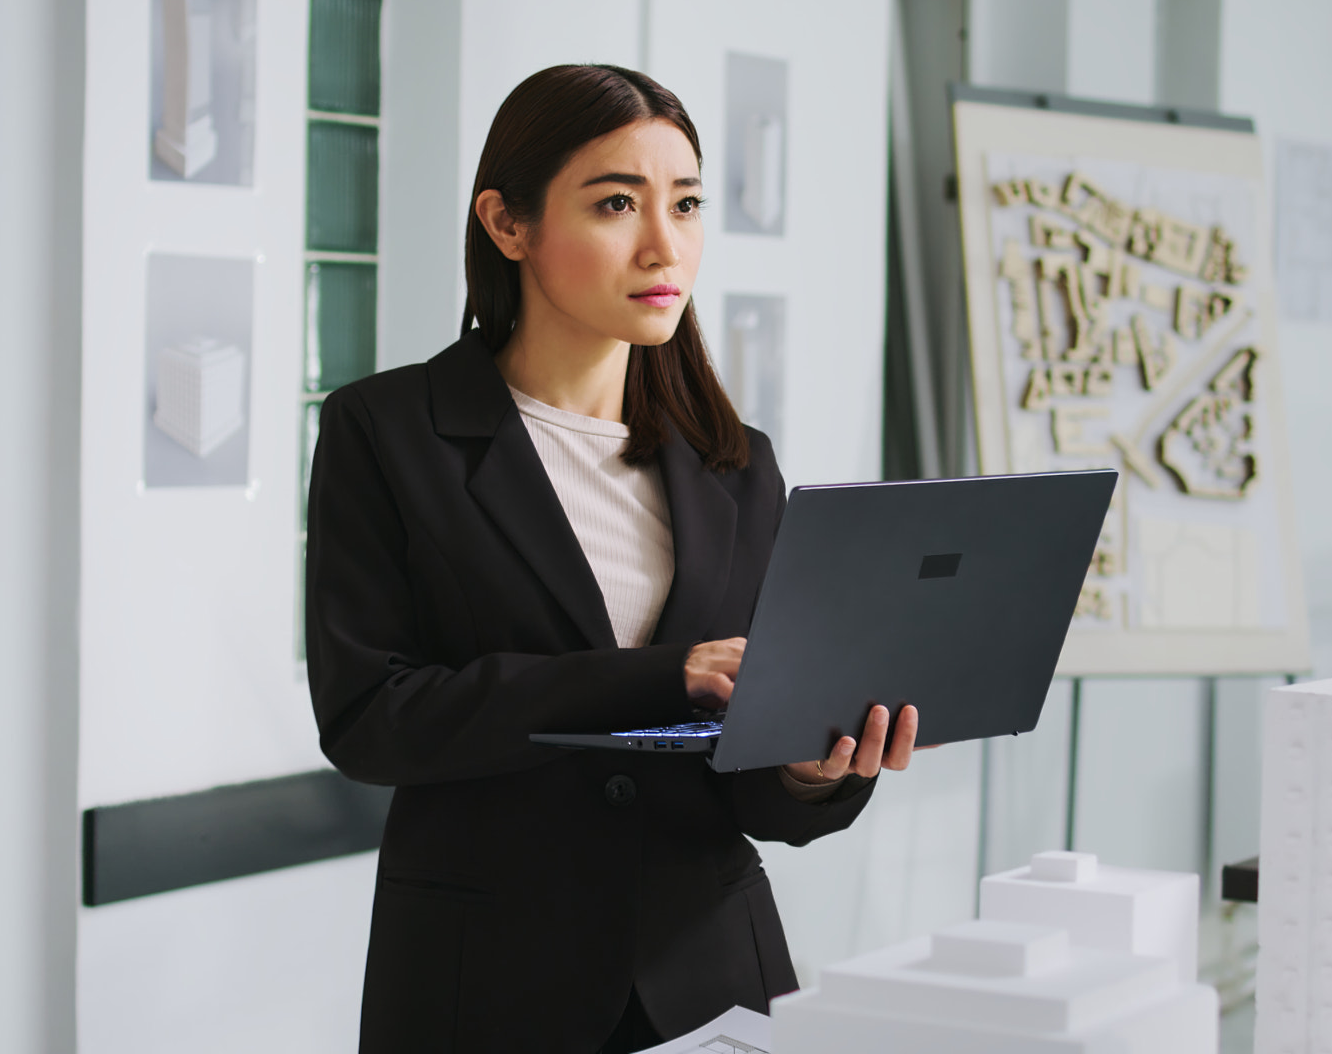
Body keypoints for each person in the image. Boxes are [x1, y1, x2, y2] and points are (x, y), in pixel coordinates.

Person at [305, 63, 918, 1053]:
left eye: (684, 203)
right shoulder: (388, 432)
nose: (662, 244)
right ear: (507, 225)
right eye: (615, 203)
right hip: (483, 985)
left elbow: (755, 791)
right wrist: (658, 676)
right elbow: (371, 721)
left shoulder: (736, 465)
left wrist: (815, 771)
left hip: (712, 981)